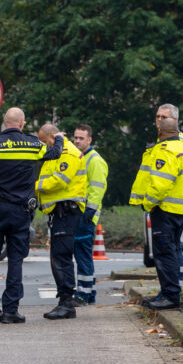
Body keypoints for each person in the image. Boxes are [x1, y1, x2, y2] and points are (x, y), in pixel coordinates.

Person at [0, 107, 64, 324]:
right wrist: (59, 138)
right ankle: (11, 310)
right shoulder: (33, 144)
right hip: (20, 212)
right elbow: (54, 153)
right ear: (22, 124)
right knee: (15, 260)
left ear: (4, 123)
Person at [130, 117, 183, 310]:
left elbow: (159, 184)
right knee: (172, 252)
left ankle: (169, 297)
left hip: (164, 211)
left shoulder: (165, 151)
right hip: (180, 211)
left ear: (161, 132)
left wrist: (148, 203)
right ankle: (171, 294)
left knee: (164, 254)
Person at [36, 123, 87, 320]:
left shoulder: (67, 153)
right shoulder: (59, 152)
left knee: (62, 256)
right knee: (58, 256)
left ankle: (67, 303)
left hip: (66, 211)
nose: (44, 146)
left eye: (43, 141)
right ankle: (64, 302)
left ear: (51, 137)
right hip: (61, 212)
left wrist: (32, 187)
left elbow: (59, 180)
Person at [71, 124, 109, 306]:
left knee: (83, 256)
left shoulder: (94, 160)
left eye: (81, 138)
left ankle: (83, 295)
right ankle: (89, 292)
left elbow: (97, 189)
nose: (77, 141)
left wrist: (89, 213)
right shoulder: (82, 158)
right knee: (82, 255)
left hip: (86, 216)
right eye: (75, 137)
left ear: (89, 140)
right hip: (82, 214)